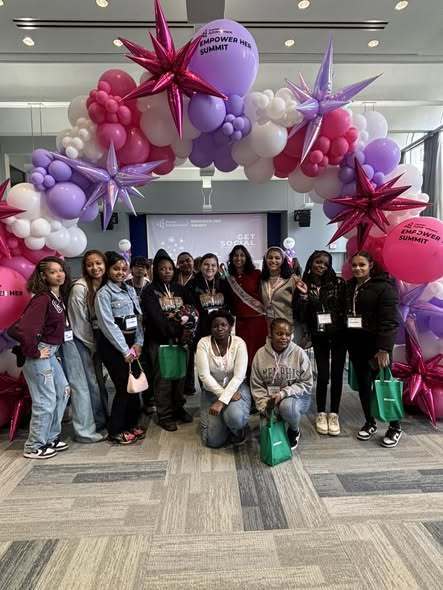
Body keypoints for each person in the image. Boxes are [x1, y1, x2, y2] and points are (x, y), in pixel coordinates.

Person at [15, 257, 72, 459]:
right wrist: (36, 352)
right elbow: (25, 329)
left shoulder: (56, 297)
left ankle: (50, 437)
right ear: (43, 276)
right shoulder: (42, 299)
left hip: (51, 353)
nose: (59, 274)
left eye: (61, 270)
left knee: (63, 391)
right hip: (40, 354)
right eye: (53, 272)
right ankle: (33, 445)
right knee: (45, 400)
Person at [345, 251, 401, 447]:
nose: (357, 268)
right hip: (356, 345)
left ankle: (395, 427)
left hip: (377, 347)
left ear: (371, 266)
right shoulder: (350, 286)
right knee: (364, 386)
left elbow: (390, 321)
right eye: (354, 265)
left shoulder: (384, 288)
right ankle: (370, 422)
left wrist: (384, 348)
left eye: (362, 265)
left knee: (385, 385)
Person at [141, 250, 197, 431]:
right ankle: (164, 414)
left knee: (179, 375)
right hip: (160, 340)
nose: (167, 271)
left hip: (181, 341)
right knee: (163, 378)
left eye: (170, 268)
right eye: (162, 269)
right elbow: (155, 317)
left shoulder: (181, 289)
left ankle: (178, 408)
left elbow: (192, 311)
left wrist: (185, 332)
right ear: (156, 270)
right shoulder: (150, 291)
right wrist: (174, 331)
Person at [295, 250, 347, 436]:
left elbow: (343, 309)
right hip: (319, 335)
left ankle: (334, 413)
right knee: (323, 375)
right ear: (311, 262)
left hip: (339, 335)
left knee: (337, 375)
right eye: (318, 262)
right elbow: (300, 316)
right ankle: (320, 413)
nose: (321, 266)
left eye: (325, 263)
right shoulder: (303, 285)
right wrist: (303, 297)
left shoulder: (338, 283)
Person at [95, 251, 144, 445]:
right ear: (108, 269)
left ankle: (131, 424)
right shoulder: (103, 294)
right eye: (116, 269)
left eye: (124, 269)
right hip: (114, 347)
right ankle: (116, 430)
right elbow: (108, 325)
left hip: (132, 345)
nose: (121, 272)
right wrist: (125, 351)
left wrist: (138, 343)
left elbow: (138, 319)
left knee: (134, 386)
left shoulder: (130, 290)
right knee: (123, 387)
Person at [64, 250, 108, 442]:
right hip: (81, 342)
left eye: (98, 263)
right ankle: (90, 429)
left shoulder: (105, 285)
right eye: (90, 264)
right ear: (84, 267)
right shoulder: (80, 289)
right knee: (88, 386)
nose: (95, 268)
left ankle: (101, 420)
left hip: (98, 341)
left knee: (99, 383)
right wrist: (93, 347)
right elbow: (79, 324)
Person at [250, 318, 313, 450]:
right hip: (269, 399)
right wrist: (264, 407)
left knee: (287, 407)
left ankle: (294, 430)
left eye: (287, 334)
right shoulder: (260, 355)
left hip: (297, 398)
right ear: (270, 334)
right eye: (279, 334)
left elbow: (307, 384)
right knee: (265, 435)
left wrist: (283, 393)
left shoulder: (299, 354)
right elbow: (257, 385)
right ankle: (277, 416)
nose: (284, 337)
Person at [196, 310, 251, 448]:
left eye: (223, 325)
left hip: (236, 389)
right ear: (210, 328)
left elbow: (239, 376)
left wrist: (221, 401)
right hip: (211, 391)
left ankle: (238, 428)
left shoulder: (239, 343)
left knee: (235, 417)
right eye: (215, 326)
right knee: (213, 441)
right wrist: (223, 397)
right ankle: (224, 423)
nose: (220, 328)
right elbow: (204, 376)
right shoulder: (203, 343)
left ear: (230, 326)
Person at [225, 245, 268, 368]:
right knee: (244, 352)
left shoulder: (256, 274)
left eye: (242, 255)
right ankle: (247, 378)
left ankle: (259, 379)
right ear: (231, 258)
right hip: (241, 320)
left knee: (259, 350)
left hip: (258, 319)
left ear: (247, 257)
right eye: (236, 255)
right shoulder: (229, 278)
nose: (239, 258)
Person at [260, 247, 307, 333]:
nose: (273, 261)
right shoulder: (262, 280)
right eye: (270, 258)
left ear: (283, 260)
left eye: (277, 258)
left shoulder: (292, 279)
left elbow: (301, 300)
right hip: (268, 326)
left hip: (287, 326)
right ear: (265, 260)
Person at [190, 252, 231, 342]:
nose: (210, 268)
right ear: (200, 266)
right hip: (200, 328)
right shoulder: (192, 285)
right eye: (206, 264)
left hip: (220, 327)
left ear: (217, 268)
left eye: (213, 265)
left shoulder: (224, 283)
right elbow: (192, 307)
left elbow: (228, 304)